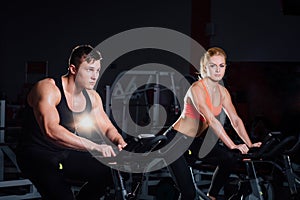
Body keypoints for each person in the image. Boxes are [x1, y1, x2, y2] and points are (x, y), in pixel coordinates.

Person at [16, 45, 127, 200]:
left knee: (112, 172)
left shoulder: (92, 97)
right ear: (73, 69)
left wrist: (119, 141)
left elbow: (107, 127)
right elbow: (51, 130)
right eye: (89, 70)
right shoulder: (48, 88)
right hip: (36, 155)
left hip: (64, 153)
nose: (95, 76)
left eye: (97, 70)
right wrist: (94, 147)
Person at [165, 47, 262, 200]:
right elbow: (211, 121)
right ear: (205, 68)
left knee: (229, 158)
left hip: (194, 142)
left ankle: (212, 196)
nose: (218, 70)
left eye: (221, 66)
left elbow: (235, 120)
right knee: (188, 194)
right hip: (175, 142)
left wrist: (249, 145)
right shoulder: (197, 89)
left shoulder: (223, 92)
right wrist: (233, 145)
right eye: (213, 66)